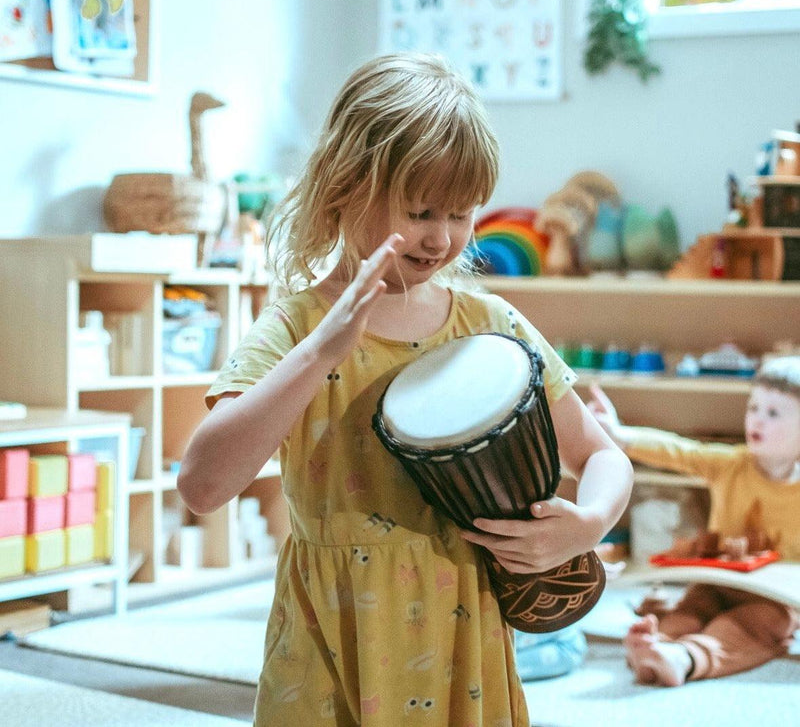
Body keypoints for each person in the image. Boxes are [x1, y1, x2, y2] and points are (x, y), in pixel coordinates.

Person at [179, 52, 633, 726]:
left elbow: (603, 455)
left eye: (461, 213)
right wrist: (323, 352)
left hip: (462, 633)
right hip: (338, 633)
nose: (441, 237)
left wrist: (588, 524)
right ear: (346, 186)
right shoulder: (298, 326)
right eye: (421, 210)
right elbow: (203, 485)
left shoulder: (490, 327)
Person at [587, 356, 800, 687]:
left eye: (773, 413)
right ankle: (654, 647)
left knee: (752, 625)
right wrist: (620, 435)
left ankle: (685, 658)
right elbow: (680, 450)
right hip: (716, 582)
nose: (756, 420)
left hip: (774, 598)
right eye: (753, 408)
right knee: (689, 610)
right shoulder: (731, 464)